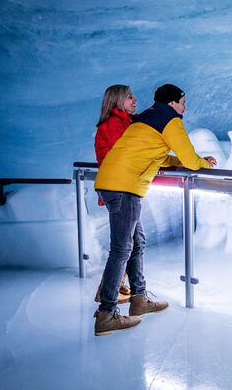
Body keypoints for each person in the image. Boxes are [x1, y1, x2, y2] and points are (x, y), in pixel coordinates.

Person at [93, 84, 217, 336]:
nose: (184, 107)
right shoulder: (170, 119)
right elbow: (191, 160)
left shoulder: (146, 118)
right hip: (124, 187)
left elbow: (158, 155)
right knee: (121, 249)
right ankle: (106, 314)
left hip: (114, 183)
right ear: (172, 103)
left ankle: (139, 300)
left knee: (136, 242)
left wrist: (180, 160)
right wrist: (203, 162)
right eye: (182, 102)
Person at [93, 84, 139, 304]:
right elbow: (126, 155)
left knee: (133, 242)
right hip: (120, 189)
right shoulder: (114, 125)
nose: (135, 100)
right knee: (123, 246)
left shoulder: (123, 123)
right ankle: (107, 302)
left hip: (124, 188)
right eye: (130, 97)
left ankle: (117, 290)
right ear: (118, 101)